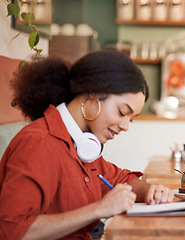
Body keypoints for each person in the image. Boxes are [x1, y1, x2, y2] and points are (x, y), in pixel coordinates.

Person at [0, 50, 175, 239]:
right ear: (94, 92)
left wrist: (152, 191)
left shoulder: (83, 145)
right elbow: (13, 231)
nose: (125, 126)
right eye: (122, 112)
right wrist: (98, 209)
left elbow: (119, 180)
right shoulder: (38, 143)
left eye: (130, 119)